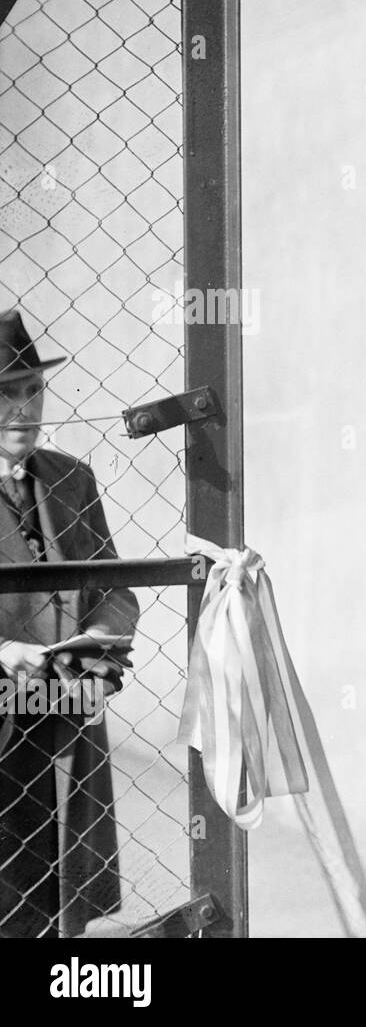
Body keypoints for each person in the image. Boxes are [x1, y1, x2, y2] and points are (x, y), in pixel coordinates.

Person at [0, 310, 138, 937]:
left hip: (65, 707)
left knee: (62, 892)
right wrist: (4, 650)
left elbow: (113, 587)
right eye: (6, 393)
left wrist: (101, 652)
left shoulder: (71, 478)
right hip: (3, 708)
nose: (24, 409)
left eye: (33, 390)